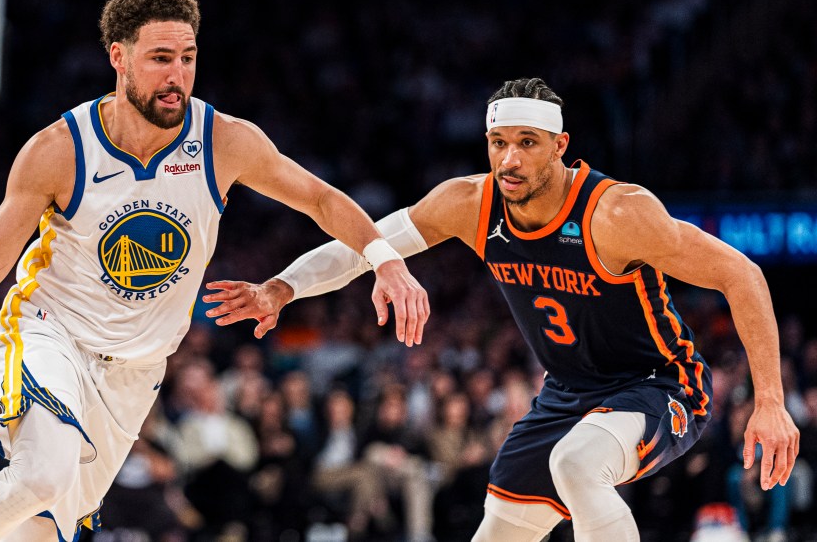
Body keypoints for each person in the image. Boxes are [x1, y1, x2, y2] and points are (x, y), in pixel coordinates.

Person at [0, 0, 429, 542]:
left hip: (138, 368)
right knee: (40, 475)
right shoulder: (59, 150)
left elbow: (320, 198)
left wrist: (384, 260)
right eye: (160, 58)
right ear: (118, 57)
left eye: (188, 57)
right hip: (51, 331)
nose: (177, 76)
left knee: (47, 527)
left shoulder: (223, 142)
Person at [203, 77, 801, 541]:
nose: (509, 159)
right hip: (567, 391)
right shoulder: (469, 203)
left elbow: (741, 274)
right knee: (498, 530)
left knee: (578, 462)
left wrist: (770, 401)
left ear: (561, 146)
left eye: (527, 143)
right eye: (498, 143)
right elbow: (368, 246)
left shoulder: (615, 214)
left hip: (658, 383)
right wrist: (280, 288)